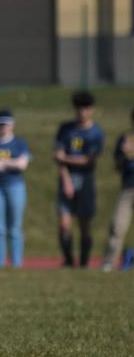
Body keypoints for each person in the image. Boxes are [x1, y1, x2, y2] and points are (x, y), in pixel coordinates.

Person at [54, 91, 104, 268]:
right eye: (79, 109)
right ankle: (68, 260)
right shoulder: (65, 129)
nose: (82, 112)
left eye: (85, 108)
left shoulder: (96, 133)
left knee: (84, 224)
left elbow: (88, 160)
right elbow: (58, 157)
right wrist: (66, 179)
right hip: (67, 178)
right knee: (64, 225)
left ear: (91, 110)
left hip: (86, 180)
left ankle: (83, 263)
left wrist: (65, 158)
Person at [0, 109, 31, 268]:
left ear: (12, 124)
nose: (3, 127)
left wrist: (1, 163)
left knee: (15, 228)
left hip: (15, 187)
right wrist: (11, 163)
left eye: (6, 124)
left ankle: (17, 264)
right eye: (0, 124)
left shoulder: (20, 143)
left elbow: (22, 164)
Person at [101, 107, 134, 271]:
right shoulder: (126, 138)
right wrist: (125, 154)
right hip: (128, 188)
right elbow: (117, 166)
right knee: (117, 225)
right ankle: (109, 263)